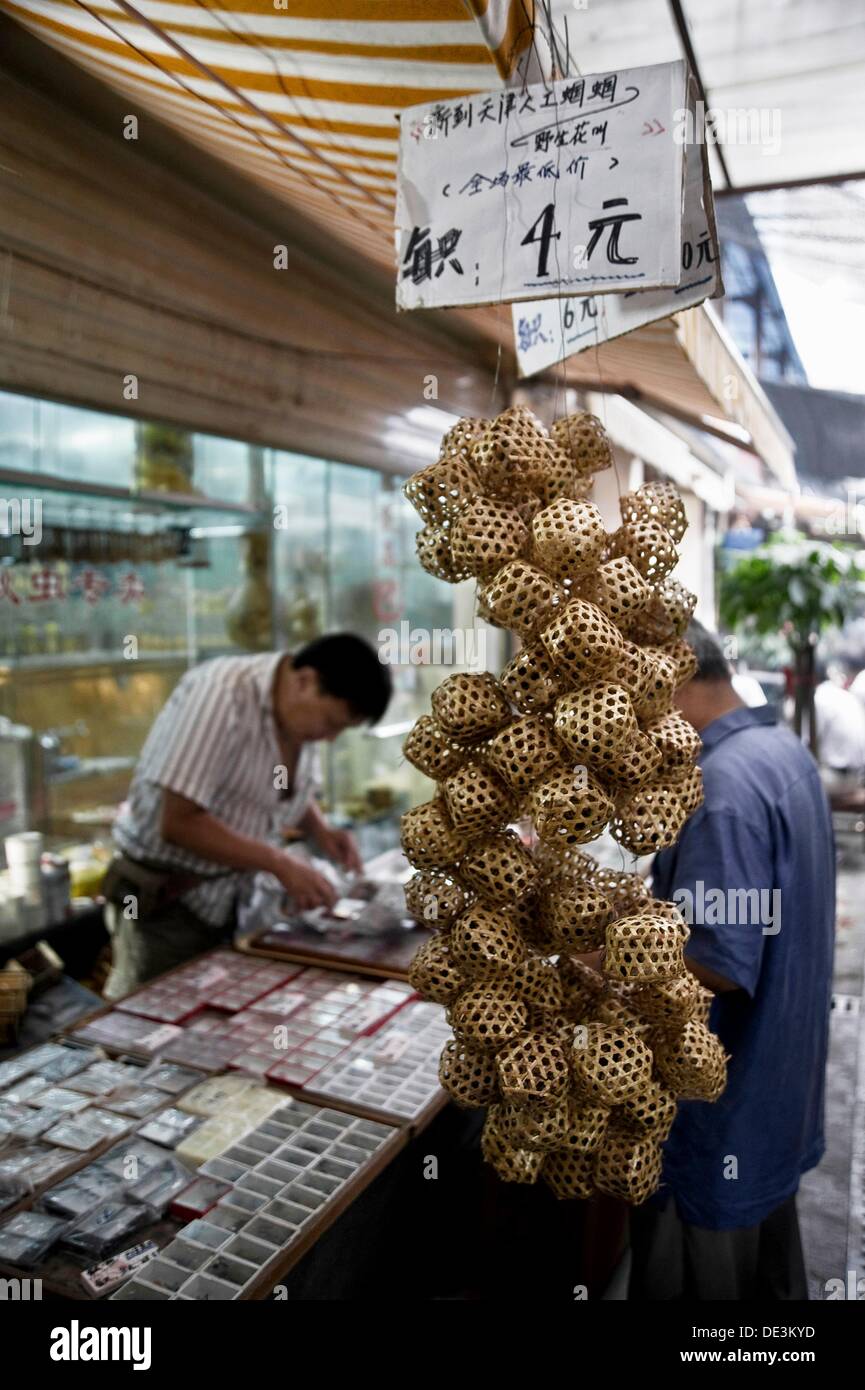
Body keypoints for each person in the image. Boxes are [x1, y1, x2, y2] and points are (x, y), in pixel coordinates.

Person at [628, 620, 835, 1301]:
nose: (624, 718)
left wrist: (601, 954)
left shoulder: (718, 789)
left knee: (704, 1284)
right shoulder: (779, 751)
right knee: (771, 1279)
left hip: (719, 1110)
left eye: (630, 694)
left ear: (673, 675)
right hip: (777, 1091)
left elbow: (715, 960)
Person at [102, 634, 391, 999]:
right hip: (167, 906)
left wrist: (319, 828)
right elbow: (177, 821)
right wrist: (279, 863)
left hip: (234, 905)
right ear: (305, 680)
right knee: (149, 1026)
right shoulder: (220, 695)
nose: (330, 738)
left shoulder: (297, 720)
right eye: (331, 723)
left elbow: (274, 787)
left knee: (219, 1028)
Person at [813, 661, 865, 793]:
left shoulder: (820, 697)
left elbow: (809, 741)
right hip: (856, 778)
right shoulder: (847, 696)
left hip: (834, 779)